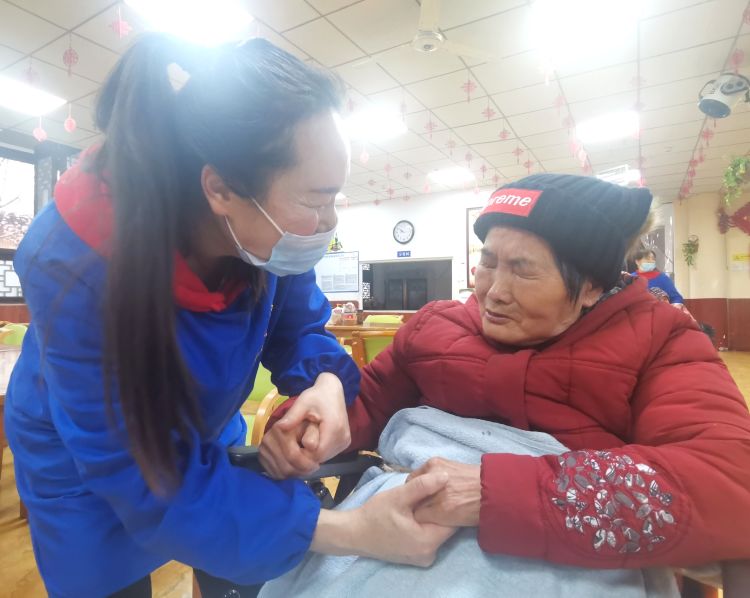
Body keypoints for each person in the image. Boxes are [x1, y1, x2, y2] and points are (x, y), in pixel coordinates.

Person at [5, 34, 454, 598]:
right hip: (88, 463)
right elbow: (138, 474)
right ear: (219, 188)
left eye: (334, 199)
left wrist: (324, 385)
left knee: (239, 562)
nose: (328, 223)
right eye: (314, 200)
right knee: (108, 580)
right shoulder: (74, 265)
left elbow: (297, 327)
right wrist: (352, 531)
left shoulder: (265, 234)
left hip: (207, 425)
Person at [262, 174, 750, 575]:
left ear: (590, 286)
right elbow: (367, 403)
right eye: (488, 263)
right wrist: (308, 427)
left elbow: (728, 479)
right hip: (393, 535)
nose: (493, 291)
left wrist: (492, 494)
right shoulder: (436, 325)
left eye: (523, 270)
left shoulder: (660, 340)